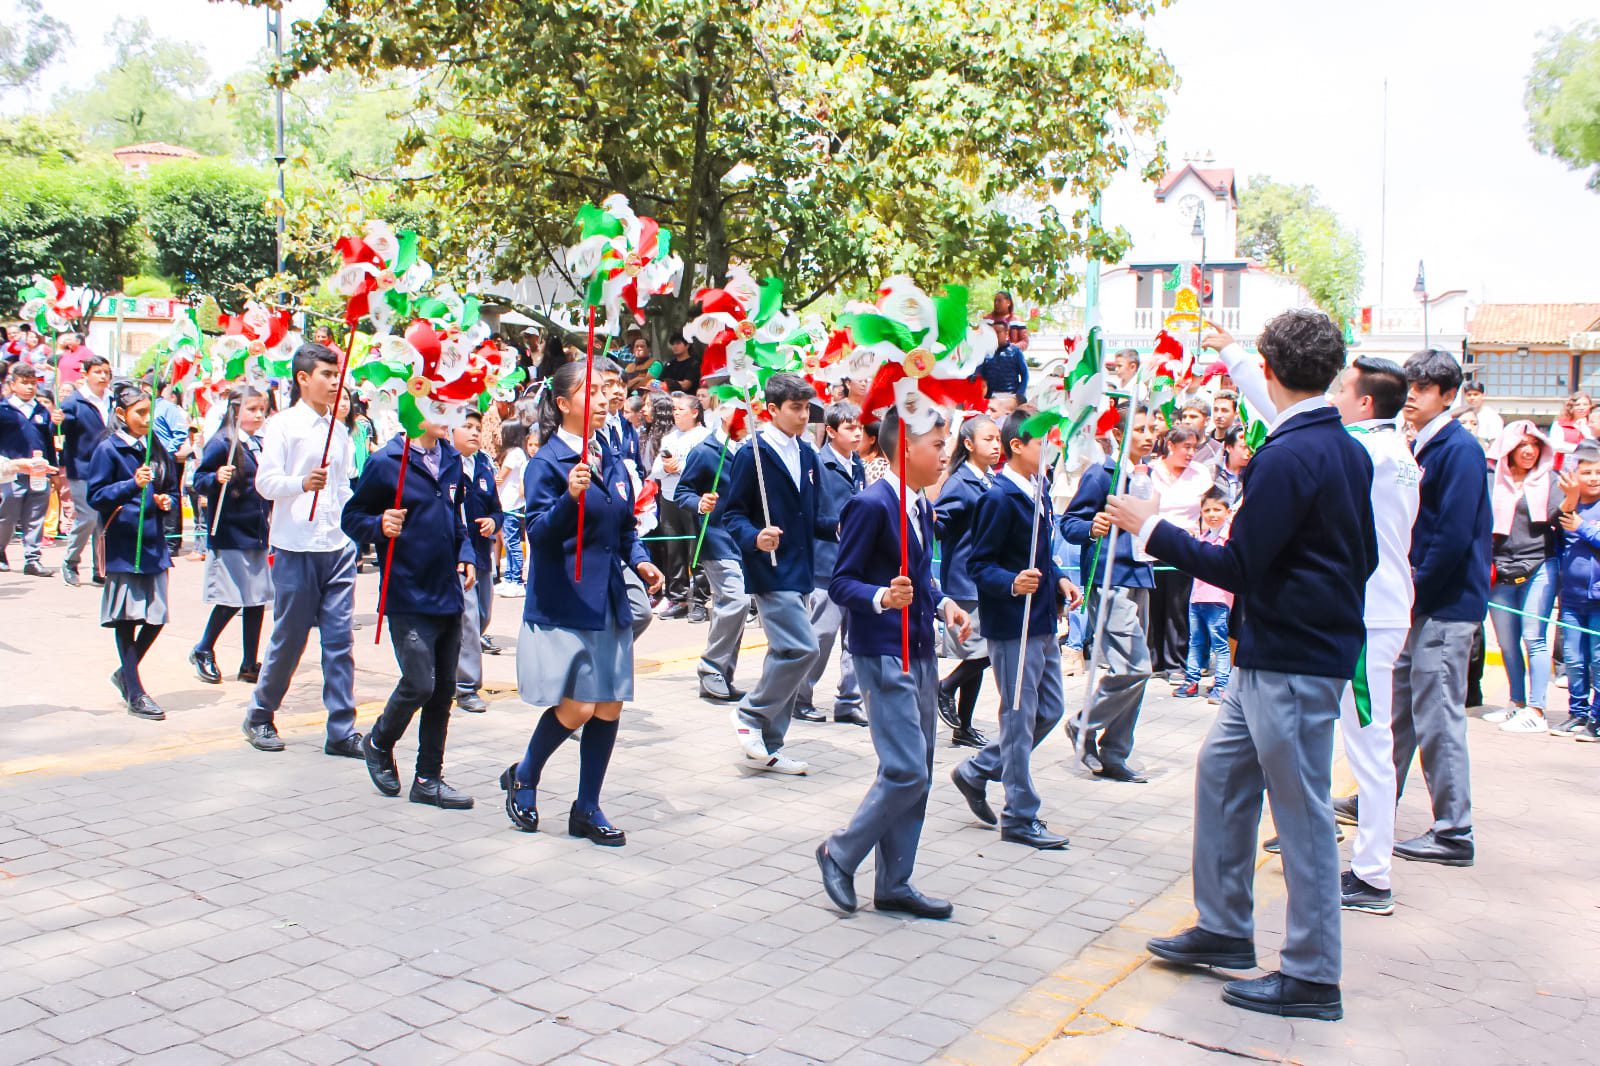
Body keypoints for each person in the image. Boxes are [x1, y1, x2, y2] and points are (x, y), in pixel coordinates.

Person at [1109, 309, 1378, 1022]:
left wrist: (1152, 527)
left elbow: (1237, 563)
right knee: (1222, 775)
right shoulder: (1340, 447)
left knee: (1301, 815)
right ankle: (1225, 927)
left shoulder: (1293, 454)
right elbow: (1363, 555)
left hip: (1289, 656)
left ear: (1269, 368)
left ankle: (1314, 973)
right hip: (1277, 652)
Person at [1223, 345, 1422, 916]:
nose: (1329, 400)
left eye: (1340, 391)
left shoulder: (1362, 448)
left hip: (1365, 614)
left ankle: (1372, 873)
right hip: (1373, 608)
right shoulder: (1393, 448)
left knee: (1368, 747)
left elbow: (1286, 413)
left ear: (1363, 402)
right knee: (1324, 738)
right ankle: (1308, 833)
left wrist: (1237, 360)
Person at [500, 361, 665, 844]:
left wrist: (641, 561)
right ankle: (525, 774)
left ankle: (587, 808)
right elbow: (538, 533)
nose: (601, 399)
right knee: (577, 708)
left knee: (609, 706)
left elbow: (625, 526)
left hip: (608, 597)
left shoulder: (609, 456)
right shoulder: (546, 463)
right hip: (566, 596)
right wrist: (569, 498)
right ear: (564, 402)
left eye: (604, 391)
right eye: (588, 391)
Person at [816, 407, 972, 919]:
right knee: (905, 769)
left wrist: (943, 602)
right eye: (936, 443)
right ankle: (840, 852)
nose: (946, 451)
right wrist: (883, 596)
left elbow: (923, 575)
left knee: (919, 771)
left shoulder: (922, 506)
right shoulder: (871, 504)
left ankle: (895, 882)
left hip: (922, 650)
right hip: (883, 651)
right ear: (904, 447)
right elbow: (842, 582)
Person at [1353, 349, 1490, 869]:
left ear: (1448, 396)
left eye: (1427, 387)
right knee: (1399, 712)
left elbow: (1451, 535)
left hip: (1444, 605)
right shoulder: (1418, 444)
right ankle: (1375, 799)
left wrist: (1417, 590)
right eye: (1410, 384)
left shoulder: (1459, 449)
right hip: (1417, 602)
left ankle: (1454, 830)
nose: (1413, 394)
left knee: (1438, 716)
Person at [950, 410, 1083, 848]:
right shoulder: (999, 497)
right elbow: (979, 563)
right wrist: (1010, 582)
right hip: (1013, 625)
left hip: (1043, 619)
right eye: (1041, 442)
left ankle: (977, 769)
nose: (1049, 449)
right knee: (1018, 717)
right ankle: (1020, 815)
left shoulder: (1039, 491)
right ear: (1017, 447)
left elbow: (1042, 551)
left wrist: (1060, 577)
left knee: (1047, 710)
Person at [345, 414, 479, 809]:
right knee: (419, 683)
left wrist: (467, 554)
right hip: (406, 592)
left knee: (442, 692)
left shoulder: (453, 460)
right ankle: (380, 740)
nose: (450, 419)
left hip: (447, 592)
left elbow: (457, 519)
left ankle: (428, 778)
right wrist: (378, 524)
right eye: (440, 408)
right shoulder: (387, 461)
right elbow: (351, 516)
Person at [241, 344, 363, 757]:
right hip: (296, 546)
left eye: (337, 375)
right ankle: (260, 714)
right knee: (289, 639)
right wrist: (300, 483)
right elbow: (265, 483)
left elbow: (344, 485)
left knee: (340, 641)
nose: (334, 382)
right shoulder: (283, 426)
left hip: (337, 546)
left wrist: (354, 527)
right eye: (327, 375)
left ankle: (341, 729)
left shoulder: (340, 429)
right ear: (303, 378)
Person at [724, 372, 834, 775]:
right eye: (795, 408)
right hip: (769, 568)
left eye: (807, 408)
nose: (804, 416)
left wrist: (839, 525)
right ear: (771, 410)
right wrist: (755, 537)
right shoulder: (750, 453)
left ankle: (769, 746)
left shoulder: (807, 454)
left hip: (802, 567)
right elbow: (731, 513)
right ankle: (750, 716)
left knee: (786, 653)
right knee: (804, 648)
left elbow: (813, 516)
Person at [1061, 404, 1158, 782]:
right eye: (1140, 429)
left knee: (1134, 672)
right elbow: (1069, 524)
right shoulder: (1102, 475)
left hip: (1142, 575)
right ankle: (1084, 724)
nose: (1148, 436)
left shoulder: (1149, 477)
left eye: (1152, 428)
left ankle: (1116, 751)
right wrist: (1092, 524)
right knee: (1136, 667)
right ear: (1119, 434)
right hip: (1111, 578)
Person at [88, 380, 181, 720]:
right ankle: (135, 689)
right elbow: (95, 497)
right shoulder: (108, 450)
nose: (146, 418)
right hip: (125, 543)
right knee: (126, 618)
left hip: (152, 540)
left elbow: (169, 487)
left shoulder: (154, 446)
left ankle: (125, 674)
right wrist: (132, 484)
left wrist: (163, 500)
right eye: (140, 413)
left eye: (150, 412)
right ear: (120, 414)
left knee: (157, 616)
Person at [189, 386, 273, 685]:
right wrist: (215, 477)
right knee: (232, 597)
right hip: (230, 531)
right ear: (236, 411)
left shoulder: (259, 443)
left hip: (256, 529)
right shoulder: (222, 442)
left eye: (262, 408)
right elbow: (197, 480)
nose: (259, 414)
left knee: (256, 600)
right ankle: (203, 648)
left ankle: (250, 662)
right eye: (252, 409)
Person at [1479, 422, 1560, 734]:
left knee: (1534, 637)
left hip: (1539, 565)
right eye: (1522, 444)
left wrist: (1569, 498)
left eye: (1535, 444)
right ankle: (1516, 703)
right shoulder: (1491, 478)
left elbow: (1560, 517)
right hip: (1499, 569)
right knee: (1507, 643)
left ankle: (1537, 709)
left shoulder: (1549, 479)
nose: (1529, 450)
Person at [796, 401, 868, 726]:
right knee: (820, 635)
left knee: (856, 640)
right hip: (826, 564)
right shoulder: (817, 464)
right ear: (831, 430)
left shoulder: (859, 466)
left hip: (858, 565)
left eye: (860, 427)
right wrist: (836, 524)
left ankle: (849, 701)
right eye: (850, 427)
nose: (857, 433)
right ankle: (799, 697)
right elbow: (808, 514)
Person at [934, 413, 1002, 749]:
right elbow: (940, 523)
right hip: (966, 579)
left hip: (986, 579)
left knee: (979, 652)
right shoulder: (960, 482)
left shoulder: (990, 479)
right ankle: (944, 687)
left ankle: (964, 725)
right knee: (987, 650)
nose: (995, 445)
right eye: (988, 439)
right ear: (969, 443)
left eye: (998, 439)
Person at [680, 404, 750, 701]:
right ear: (724, 412)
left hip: (745, 540)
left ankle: (721, 675)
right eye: (745, 410)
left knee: (732, 605)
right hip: (716, 537)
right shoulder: (704, 451)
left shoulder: (752, 452)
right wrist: (700, 502)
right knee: (737, 599)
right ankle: (711, 667)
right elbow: (682, 492)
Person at [1146, 425, 1213, 677]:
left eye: (1194, 447)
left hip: (1184, 544)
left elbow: (1207, 510)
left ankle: (1176, 662)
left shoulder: (1200, 473)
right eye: (1186, 447)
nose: (1190, 453)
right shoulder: (1151, 471)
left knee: (1178, 605)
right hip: (1151, 543)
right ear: (1170, 446)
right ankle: (1153, 660)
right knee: (1153, 604)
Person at [453, 410, 504, 714]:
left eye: (477, 427)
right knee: (469, 620)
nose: (473, 432)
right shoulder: (445, 463)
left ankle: (448, 666)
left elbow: (497, 508)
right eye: (466, 427)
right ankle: (467, 687)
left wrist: (493, 522)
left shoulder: (483, 463)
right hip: (459, 557)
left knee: (482, 614)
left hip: (482, 554)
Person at [649, 393, 709, 618]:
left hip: (693, 499)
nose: (675, 413)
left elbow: (705, 468)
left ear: (695, 412)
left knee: (697, 552)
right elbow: (656, 469)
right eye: (674, 409)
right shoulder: (669, 438)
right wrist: (666, 468)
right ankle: (678, 598)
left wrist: (680, 466)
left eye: (680, 409)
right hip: (669, 498)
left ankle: (700, 601)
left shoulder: (704, 436)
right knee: (673, 550)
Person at [1555, 445, 1600, 740]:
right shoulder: (1567, 506)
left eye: (1598, 472)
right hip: (1570, 598)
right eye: (1586, 472)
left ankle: (1597, 718)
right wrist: (1570, 504)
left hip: (1598, 600)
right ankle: (1578, 712)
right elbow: (1555, 536)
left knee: (1598, 659)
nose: (1594, 477)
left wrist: (1583, 527)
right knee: (1573, 658)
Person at [0, 363, 60, 576]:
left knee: (35, 516)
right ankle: (0, 550)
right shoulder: (3, 409)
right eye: (24, 383)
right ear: (13, 384)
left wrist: (54, 471)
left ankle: (32, 558)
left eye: (33, 384)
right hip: (11, 471)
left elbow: (48, 441)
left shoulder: (41, 410)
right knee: (6, 514)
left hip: (38, 471)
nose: (29, 388)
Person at [59, 354, 113, 586]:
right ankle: (70, 561)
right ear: (86, 374)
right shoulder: (74, 401)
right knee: (88, 516)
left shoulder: (113, 400)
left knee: (104, 520)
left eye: (106, 372)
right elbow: (62, 428)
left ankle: (100, 568)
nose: (102, 377)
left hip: (108, 468)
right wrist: (57, 420)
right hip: (81, 468)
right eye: (97, 372)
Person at [1178, 488, 1233, 701]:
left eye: (1217, 509)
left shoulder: (1229, 539)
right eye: (1207, 510)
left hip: (1218, 599)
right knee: (1196, 641)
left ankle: (1221, 684)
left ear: (1227, 512)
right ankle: (1191, 681)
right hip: (1197, 598)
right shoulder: (1202, 538)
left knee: (1219, 644)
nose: (1212, 514)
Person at [151, 384, 193, 554]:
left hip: (167, 459)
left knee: (171, 497)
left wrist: (167, 451)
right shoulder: (145, 407)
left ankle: (172, 542)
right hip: (151, 458)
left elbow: (181, 432)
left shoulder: (168, 408)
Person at [496, 420, 531, 596]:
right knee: (509, 541)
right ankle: (509, 577)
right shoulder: (516, 453)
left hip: (511, 504)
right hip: (508, 503)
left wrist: (491, 481)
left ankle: (516, 580)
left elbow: (501, 477)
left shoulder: (515, 454)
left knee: (512, 542)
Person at [975, 320, 1028, 399]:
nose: (994, 336)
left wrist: (1019, 395)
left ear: (1006, 333)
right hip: (990, 398)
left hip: (1010, 397)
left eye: (998, 332)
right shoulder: (987, 353)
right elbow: (979, 373)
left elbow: (1025, 375)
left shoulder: (1015, 352)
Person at [1551, 391, 1592, 470]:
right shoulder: (1559, 424)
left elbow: (1595, 445)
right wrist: (1580, 449)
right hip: (1562, 469)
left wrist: (1583, 428)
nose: (1581, 407)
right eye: (1577, 405)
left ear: (1590, 407)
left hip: (1588, 469)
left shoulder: (1593, 425)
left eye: (1585, 404)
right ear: (1571, 407)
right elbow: (1556, 445)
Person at [1210, 425, 1250, 507]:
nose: (1248, 453)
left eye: (1250, 448)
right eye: (1243, 447)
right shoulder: (1211, 470)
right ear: (1228, 447)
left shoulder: (1253, 473)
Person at [1460, 381, 1503, 450]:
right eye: (1469, 395)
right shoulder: (1460, 415)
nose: (1472, 397)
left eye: (1475, 394)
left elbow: (1495, 446)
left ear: (1483, 395)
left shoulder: (1492, 417)